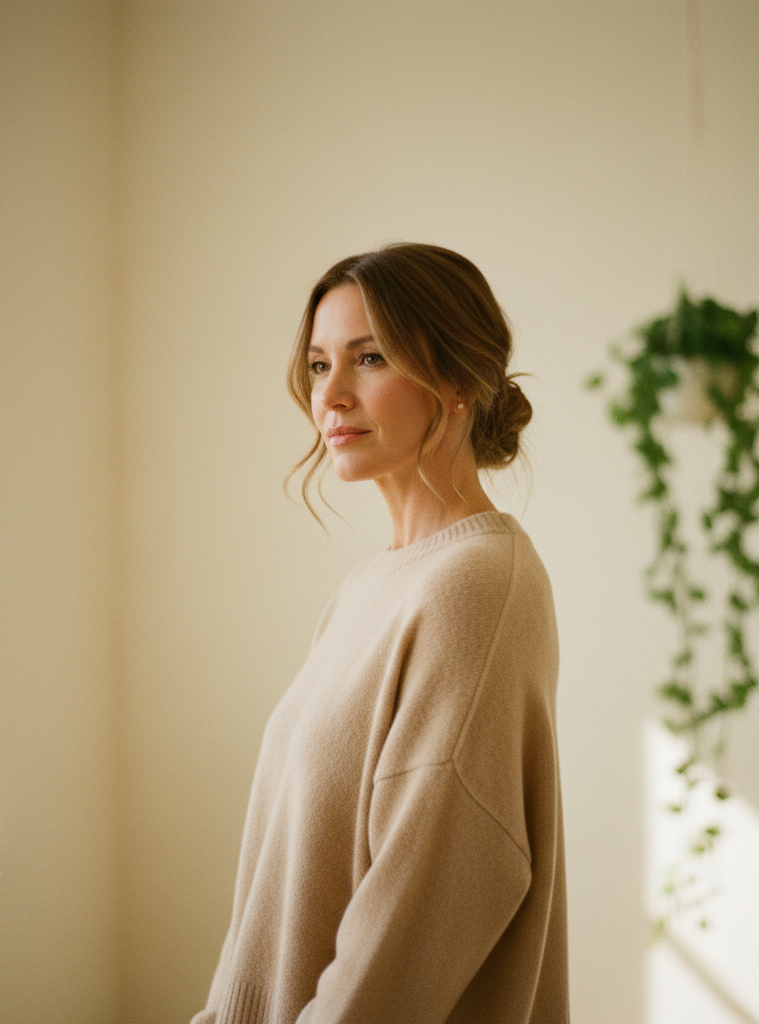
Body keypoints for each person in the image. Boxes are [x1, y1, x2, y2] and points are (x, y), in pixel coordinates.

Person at [191, 243, 568, 1024]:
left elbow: (420, 908)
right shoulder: (370, 586)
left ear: (459, 379)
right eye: (320, 364)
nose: (332, 395)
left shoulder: (478, 583)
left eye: (368, 358)